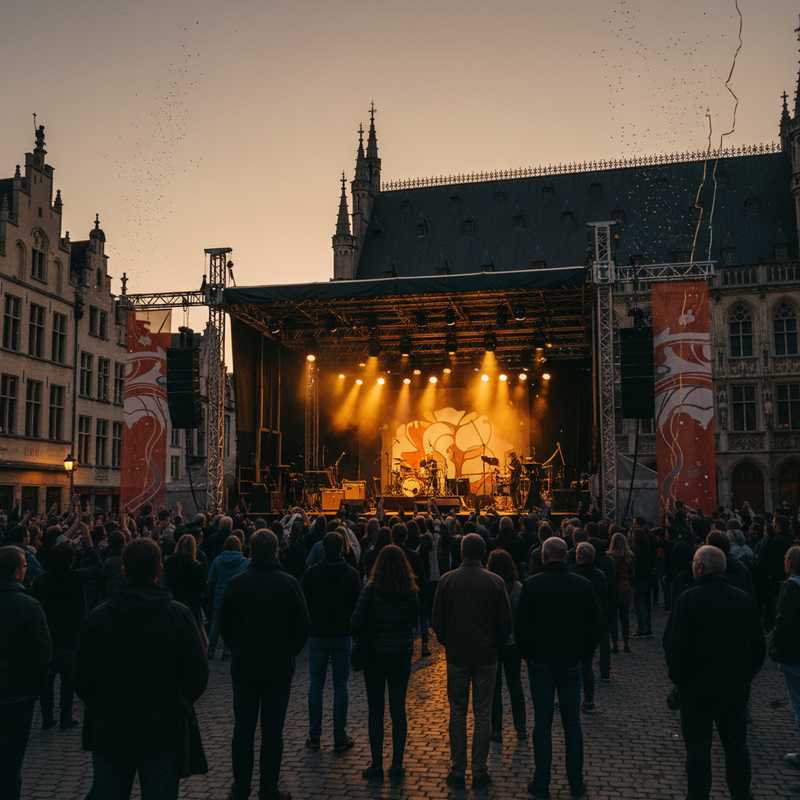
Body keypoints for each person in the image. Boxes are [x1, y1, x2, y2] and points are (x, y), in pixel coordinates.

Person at [75, 538, 209, 800]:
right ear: (159, 570)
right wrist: (177, 700)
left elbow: (82, 675)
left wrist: (101, 703)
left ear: (124, 570)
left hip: (111, 724)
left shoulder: (100, 616)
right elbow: (197, 674)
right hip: (164, 725)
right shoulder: (178, 616)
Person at [665, 545, 765, 800]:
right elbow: (758, 647)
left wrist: (681, 681)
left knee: (698, 751)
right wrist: (744, 677)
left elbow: (674, 646)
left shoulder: (687, 599)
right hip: (733, 689)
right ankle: (741, 794)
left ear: (699, 568)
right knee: (736, 749)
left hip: (696, 691)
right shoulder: (743, 599)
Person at [219, 530, 310, 800]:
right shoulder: (289, 584)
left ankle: (241, 787)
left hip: (245, 665)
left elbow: (225, 624)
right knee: (272, 731)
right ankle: (268, 788)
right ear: (275, 552)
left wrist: (237, 647)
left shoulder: (237, 584)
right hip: (278, 667)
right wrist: (288, 652)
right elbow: (303, 626)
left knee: (242, 730)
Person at [516, 537, 598, 800]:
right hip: (571, 662)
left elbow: (521, 627)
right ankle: (576, 782)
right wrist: (582, 655)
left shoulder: (531, 585)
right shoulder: (583, 585)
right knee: (572, 724)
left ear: (543, 557)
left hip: (541, 663)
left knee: (542, 723)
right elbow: (594, 626)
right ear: (567, 556)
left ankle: (542, 782)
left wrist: (529, 656)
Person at [432, 533, 512, 789]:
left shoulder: (447, 581)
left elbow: (437, 621)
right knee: (483, 712)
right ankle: (480, 769)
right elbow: (505, 623)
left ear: (462, 551)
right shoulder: (496, 582)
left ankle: (457, 769)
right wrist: (495, 645)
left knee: (456, 712)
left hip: (457, 655)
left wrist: (449, 642)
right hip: (486, 656)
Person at [351, 544, 419, 783]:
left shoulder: (371, 590)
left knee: (376, 710)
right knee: (398, 709)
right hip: (400, 654)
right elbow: (414, 619)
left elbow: (356, 620)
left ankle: (377, 763)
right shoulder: (409, 591)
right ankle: (397, 763)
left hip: (376, 654)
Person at [301, 531, 361, 752]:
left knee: (315, 685)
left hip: (317, 634)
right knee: (340, 686)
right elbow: (357, 604)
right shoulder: (351, 574)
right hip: (342, 634)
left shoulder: (311, 574)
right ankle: (339, 735)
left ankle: (314, 735)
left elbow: (303, 600)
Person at [0, 546, 51, 800]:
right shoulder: (29, 606)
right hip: (18, 696)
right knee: (11, 764)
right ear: (17, 572)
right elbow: (42, 652)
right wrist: (36, 689)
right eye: (24, 566)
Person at [487, 548, 527, 742]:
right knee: (515, 685)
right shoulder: (518, 587)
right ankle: (521, 726)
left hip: (493, 643)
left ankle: (496, 729)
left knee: (494, 688)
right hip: (513, 643)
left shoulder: (490, 586)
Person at [770, 545, 800, 771]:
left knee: (798, 704)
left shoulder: (790, 588)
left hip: (794, 654)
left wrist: (775, 647)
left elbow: (784, 622)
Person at [572, 541, 608, 712]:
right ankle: (588, 700)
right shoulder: (599, 575)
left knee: (571, 663)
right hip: (592, 625)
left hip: (576, 624)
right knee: (586, 664)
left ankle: (573, 697)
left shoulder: (573, 575)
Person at [207, 535, 250, 660]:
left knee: (216, 624)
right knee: (232, 625)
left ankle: (210, 650)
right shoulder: (244, 562)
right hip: (236, 597)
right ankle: (227, 651)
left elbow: (211, 580)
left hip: (220, 595)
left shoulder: (217, 560)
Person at [164, 533, 208, 634]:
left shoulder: (169, 562)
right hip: (192, 604)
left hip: (173, 601)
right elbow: (203, 587)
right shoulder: (197, 566)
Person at [608, 532, 634, 653]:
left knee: (613, 617)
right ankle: (626, 643)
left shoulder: (610, 557)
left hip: (614, 587)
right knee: (625, 617)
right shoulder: (629, 557)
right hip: (625, 586)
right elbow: (632, 574)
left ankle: (614, 644)